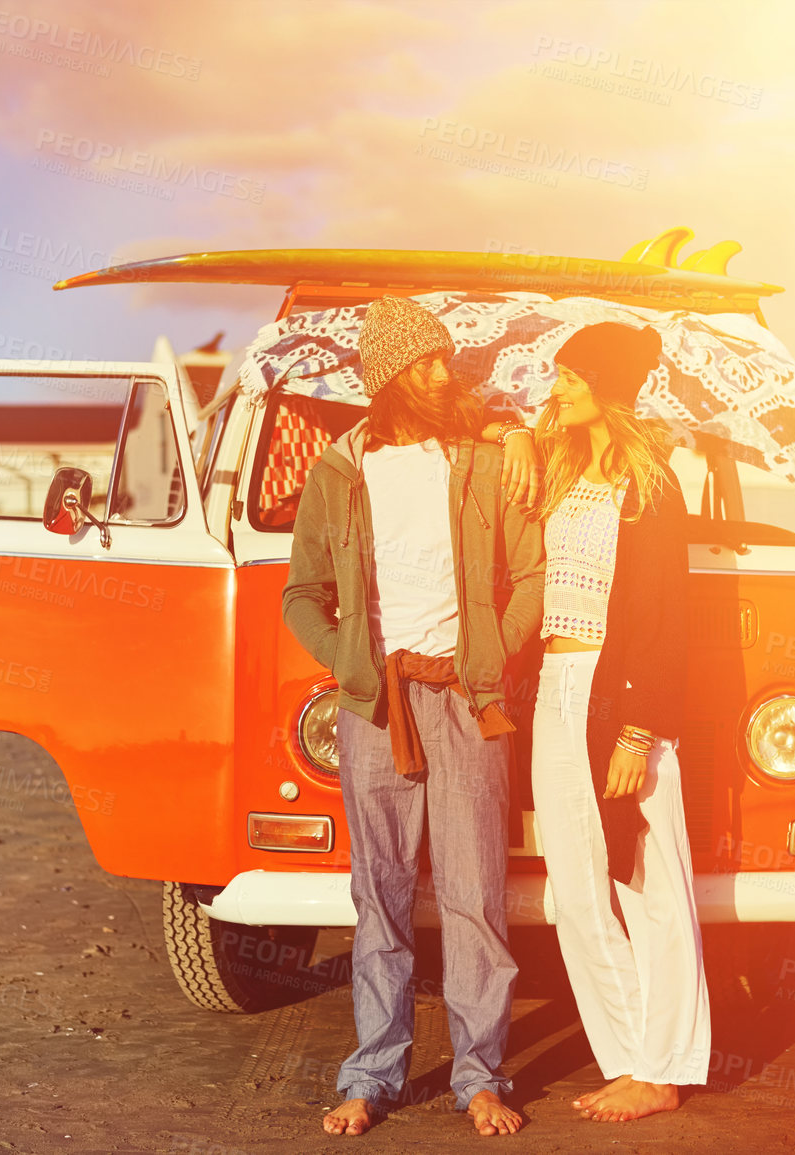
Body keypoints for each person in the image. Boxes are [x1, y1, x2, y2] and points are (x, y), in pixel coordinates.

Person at [282, 294, 546, 1138]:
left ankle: (480, 1075)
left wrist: (491, 656)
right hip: (375, 705)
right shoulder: (340, 471)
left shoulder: (482, 456)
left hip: (469, 702)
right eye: (429, 361)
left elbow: (530, 574)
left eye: (444, 358)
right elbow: (302, 593)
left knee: (474, 897)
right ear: (394, 375)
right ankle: (371, 1073)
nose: (446, 371)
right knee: (381, 896)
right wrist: (352, 663)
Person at [528, 321, 710, 1122]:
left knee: (650, 884)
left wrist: (639, 729)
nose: (555, 389)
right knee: (574, 888)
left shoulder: (653, 483)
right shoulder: (561, 467)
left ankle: (665, 1064)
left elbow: (667, 620)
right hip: (556, 684)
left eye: (570, 376)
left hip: (621, 699)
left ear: (606, 385)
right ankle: (628, 1054)